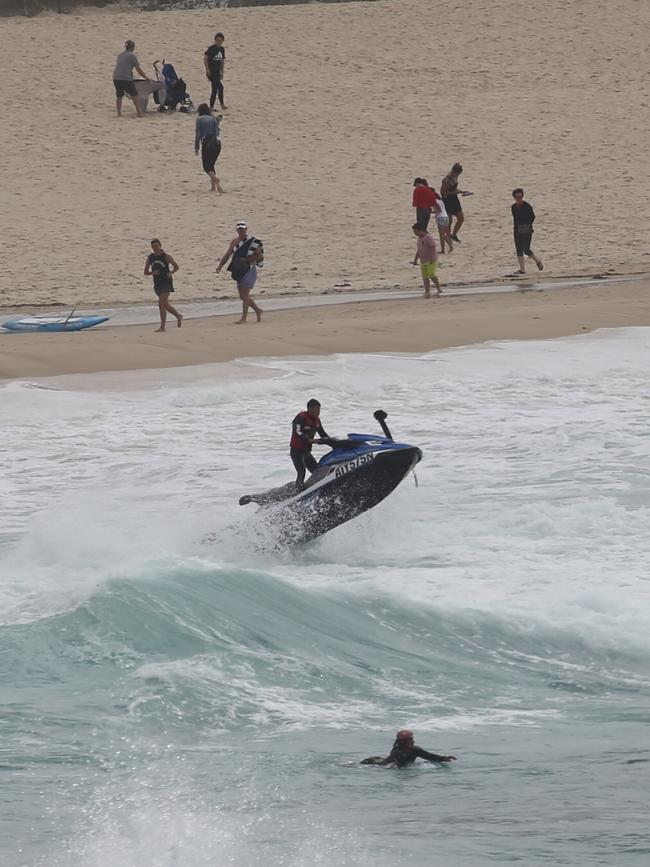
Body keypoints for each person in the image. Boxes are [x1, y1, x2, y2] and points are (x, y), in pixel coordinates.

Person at [216, 222, 264, 324]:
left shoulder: (253, 242)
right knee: (242, 296)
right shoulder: (234, 242)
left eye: (243, 229)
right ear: (237, 230)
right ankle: (258, 310)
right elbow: (228, 254)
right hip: (239, 270)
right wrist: (220, 265)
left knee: (245, 295)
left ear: (246, 229)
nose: (241, 231)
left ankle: (244, 318)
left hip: (249, 269)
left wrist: (245, 259)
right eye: (239, 229)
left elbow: (259, 256)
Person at [361, 730, 456, 768]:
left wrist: (443, 758)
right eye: (410, 739)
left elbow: (428, 756)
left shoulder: (415, 749)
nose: (413, 741)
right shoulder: (397, 751)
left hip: (380, 760)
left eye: (412, 739)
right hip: (374, 762)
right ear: (403, 741)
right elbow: (392, 766)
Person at [144, 239, 183, 332]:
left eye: (157, 246)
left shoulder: (166, 256)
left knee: (161, 303)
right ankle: (174, 318)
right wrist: (152, 272)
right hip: (157, 283)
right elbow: (145, 272)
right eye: (153, 247)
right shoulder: (150, 258)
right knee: (164, 305)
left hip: (166, 282)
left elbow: (176, 267)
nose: (155, 248)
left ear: (160, 246)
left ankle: (167, 323)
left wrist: (171, 273)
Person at [290, 399, 329, 489]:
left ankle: (321, 488)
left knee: (316, 472)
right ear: (309, 409)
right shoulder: (301, 417)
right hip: (296, 452)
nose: (318, 412)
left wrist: (333, 443)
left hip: (306, 452)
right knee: (301, 472)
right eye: (316, 409)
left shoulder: (316, 420)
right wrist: (309, 440)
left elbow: (323, 434)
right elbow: (298, 433)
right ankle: (298, 491)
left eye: (319, 409)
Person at [112, 40, 150, 118]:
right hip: (125, 78)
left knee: (119, 95)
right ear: (132, 47)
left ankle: (119, 113)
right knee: (134, 95)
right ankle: (139, 113)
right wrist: (145, 77)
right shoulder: (132, 56)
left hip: (116, 77)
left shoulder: (120, 55)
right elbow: (138, 69)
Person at [510, 188, 544, 275]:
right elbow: (515, 219)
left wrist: (528, 225)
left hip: (527, 230)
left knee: (526, 249)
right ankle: (522, 270)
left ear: (522, 196)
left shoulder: (527, 206)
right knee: (519, 250)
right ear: (514, 197)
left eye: (520, 196)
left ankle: (537, 261)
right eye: (517, 197)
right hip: (517, 230)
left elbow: (532, 217)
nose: (519, 198)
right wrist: (516, 229)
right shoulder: (513, 207)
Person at [195, 103, 224, 193]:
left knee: (206, 167)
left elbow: (198, 134)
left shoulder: (199, 119)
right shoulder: (213, 119)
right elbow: (217, 132)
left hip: (207, 143)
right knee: (211, 165)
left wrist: (196, 147)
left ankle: (216, 179)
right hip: (217, 143)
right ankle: (215, 187)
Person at [441, 162, 471, 243]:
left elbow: (454, 189)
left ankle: (453, 235)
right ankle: (447, 237)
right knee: (449, 221)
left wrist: (461, 191)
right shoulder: (446, 180)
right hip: (447, 200)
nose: (457, 175)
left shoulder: (455, 178)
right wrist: (454, 192)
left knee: (461, 218)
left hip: (454, 199)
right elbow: (444, 193)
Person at [412, 222, 441, 298]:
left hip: (431, 260)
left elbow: (432, 247)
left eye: (416, 232)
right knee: (425, 277)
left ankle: (439, 288)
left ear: (421, 230)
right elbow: (418, 250)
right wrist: (415, 259)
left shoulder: (428, 237)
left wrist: (431, 258)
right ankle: (427, 291)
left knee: (431, 274)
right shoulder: (419, 239)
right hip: (423, 261)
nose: (415, 234)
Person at [204, 32, 227, 111]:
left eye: (220, 40)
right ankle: (212, 106)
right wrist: (207, 70)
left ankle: (221, 104)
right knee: (215, 89)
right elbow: (205, 58)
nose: (219, 42)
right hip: (212, 72)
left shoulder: (222, 49)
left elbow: (222, 61)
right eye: (217, 40)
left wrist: (222, 72)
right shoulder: (211, 48)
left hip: (217, 72)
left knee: (220, 87)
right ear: (215, 40)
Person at [431, 188, 453, 254]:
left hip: (441, 218)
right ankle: (449, 246)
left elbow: (438, 210)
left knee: (442, 235)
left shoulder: (434, 201)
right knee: (445, 234)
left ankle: (445, 249)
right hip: (445, 217)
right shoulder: (440, 200)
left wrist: (431, 212)